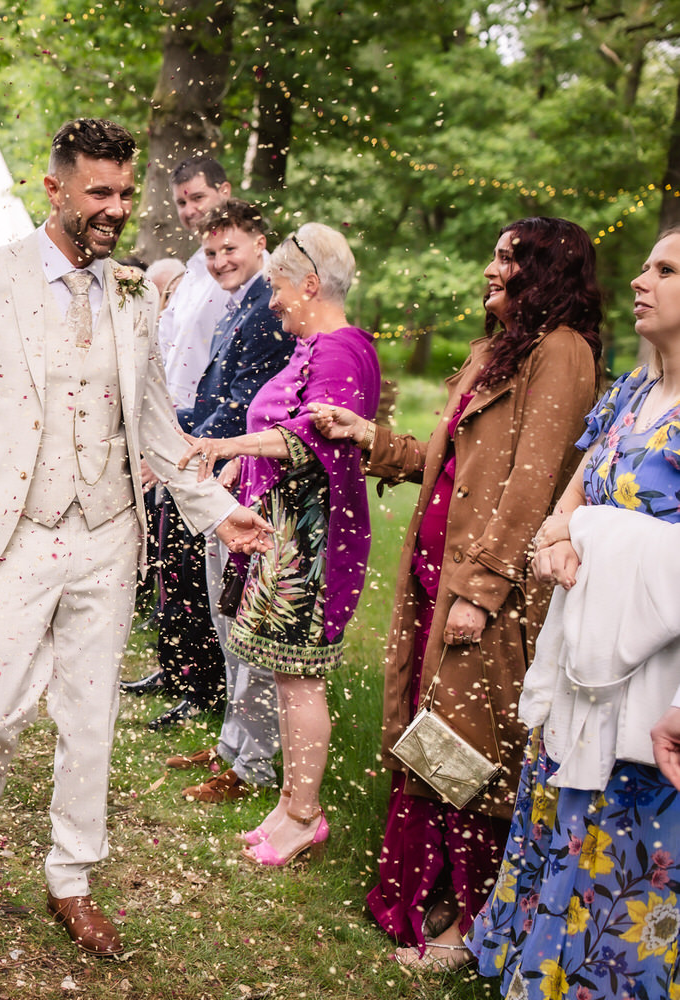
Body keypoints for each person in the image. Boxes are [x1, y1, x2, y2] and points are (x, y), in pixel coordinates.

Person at [0, 119, 271, 957]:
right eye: (97, 192)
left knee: (89, 715)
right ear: (56, 189)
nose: (113, 209)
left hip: (107, 530)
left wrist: (216, 508)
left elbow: (155, 422)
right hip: (15, 530)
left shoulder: (136, 294)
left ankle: (72, 875)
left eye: (121, 193)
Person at [312, 218, 602, 966]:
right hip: (432, 579)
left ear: (546, 271)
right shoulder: (490, 354)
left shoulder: (561, 353)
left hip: (488, 590)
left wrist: (480, 589)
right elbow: (448, 461)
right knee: (427, 735)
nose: (489, 267)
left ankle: (469, 926)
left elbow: (533, 487)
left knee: (470, 750)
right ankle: (419, 895)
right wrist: (370, 437)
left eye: (507, 257)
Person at [460, 229, 680, 998]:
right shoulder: (628, 391)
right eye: (646, 265)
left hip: (660, 670)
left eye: (666, 269)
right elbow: (573, 496)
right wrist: (557, 540)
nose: (640, 281)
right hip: (584, 650)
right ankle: (532, 967)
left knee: (627, 840)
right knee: (558, 814)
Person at [179, 222, 380, 869]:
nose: (271, 303)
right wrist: (245, 469)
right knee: (285, 674)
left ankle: (303, 814)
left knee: (300, 679)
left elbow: (310, 442)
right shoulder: (310, 350)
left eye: (279, 288)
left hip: (314, 545)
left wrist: (225, 447)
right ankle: (291, 803)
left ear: (312, 285)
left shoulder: (343, 350)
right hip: (284, 536)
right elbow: (282, 427)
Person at [159, 198, 292, 804]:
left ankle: (252, 761)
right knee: (226, 614)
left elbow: (242, 403)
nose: (217, 262)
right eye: (210, 253)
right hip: (223, 466)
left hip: (249, 474)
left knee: (245, 620)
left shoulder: (269, 308)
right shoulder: (239, 307)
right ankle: (233, 744)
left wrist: (175, 437)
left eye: (229, 249)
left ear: (260, 242)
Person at [122, 156, 236, 726]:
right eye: (183, 202)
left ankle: (205, 686)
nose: (190, 211)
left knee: (195, 565)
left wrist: (187, 436)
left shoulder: (230, 278)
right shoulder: (194, 271)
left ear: (224, 191)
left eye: (198, 198)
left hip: (201, 436)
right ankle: (176, 667)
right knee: (170, 560)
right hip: (171, 429)